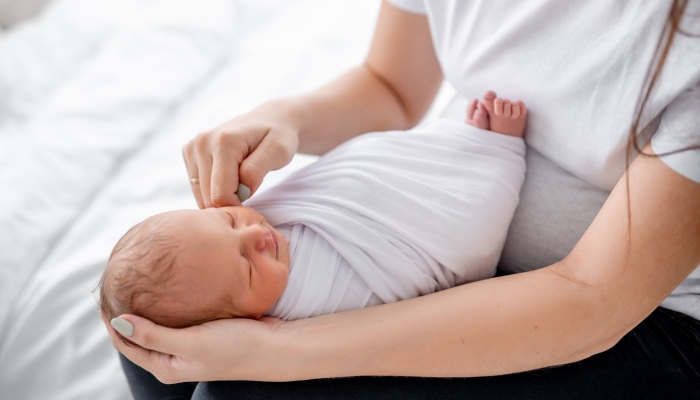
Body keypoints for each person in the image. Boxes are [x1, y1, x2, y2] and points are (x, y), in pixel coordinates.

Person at [106, 1, 700, 398]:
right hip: (466, 239)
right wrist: (281, 119)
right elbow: (389, 86)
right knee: (153, 340)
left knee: (231, 388)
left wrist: (275, 350)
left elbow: (592, 299)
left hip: (645, 319)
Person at [100, 92, 527, 328]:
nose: (254, 235)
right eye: (247, 268)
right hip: (426, 248)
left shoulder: (266, 219)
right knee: (464, 234)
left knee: (370, 167)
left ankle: (454, 149)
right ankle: (495, 155)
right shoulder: (296, 316)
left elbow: (348, 177)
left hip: (391, 197)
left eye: (228, 220)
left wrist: (277, 115)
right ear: (243, 323)